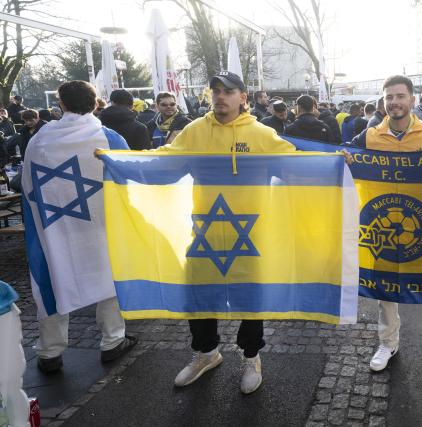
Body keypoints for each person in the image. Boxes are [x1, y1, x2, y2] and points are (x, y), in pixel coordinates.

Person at [156, 70, 295, 394]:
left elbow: (296, 162)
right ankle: (206, 354)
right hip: (205, 233)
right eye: (216, 91)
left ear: (243, 97)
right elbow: (164, 162)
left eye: (229, 91)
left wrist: (336, 162)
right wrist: (118, 161)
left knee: (250, 299)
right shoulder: (194, 131)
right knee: (200, 296)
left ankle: (251, 357)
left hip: (249, 236)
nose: (221, 96)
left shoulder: (261, 134)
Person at [21, 80, 137, 374]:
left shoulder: (39, 140)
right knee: (108, 275)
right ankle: (113, 340)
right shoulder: (110, 138)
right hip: (100, 225)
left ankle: (49, 351)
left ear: (61, 104)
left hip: (54, 224)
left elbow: (29, 183)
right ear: (96, 103)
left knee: (51, 276)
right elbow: (128, 183)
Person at [350, 75, 422, 381]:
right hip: (382, 229)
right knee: (386, 291)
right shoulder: (369, 137)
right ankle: (388, 344)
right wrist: (343, 157)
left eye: (400, 96)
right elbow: (343, 156)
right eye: (389, 98)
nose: (394, 102)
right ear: (384, 103)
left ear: (412, 100)